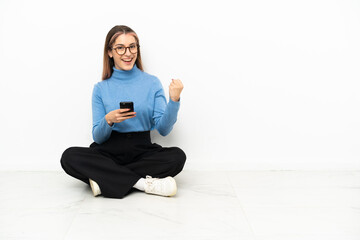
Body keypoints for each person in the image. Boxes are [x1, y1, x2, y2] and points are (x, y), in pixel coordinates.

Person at [60, 25, 186, 199]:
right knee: (69, 157)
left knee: (177, 157)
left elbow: (163, 130)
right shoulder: (101, 88)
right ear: (110, 52)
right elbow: (98, 137)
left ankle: (105, 180)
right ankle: (143, 184)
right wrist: (109, 120)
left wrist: (174, 100)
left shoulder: (152, 83)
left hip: (143, 150)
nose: (128, 53)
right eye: (120, 48)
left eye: (132, 46)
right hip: (109, 151)